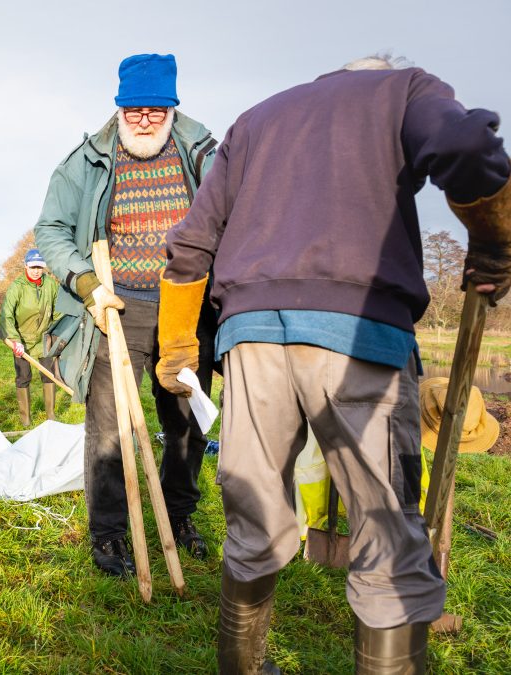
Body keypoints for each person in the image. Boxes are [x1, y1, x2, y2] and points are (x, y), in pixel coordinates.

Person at [157, 54, 510, 673]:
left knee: (254, 522)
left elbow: (191, 240)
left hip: (252, 337)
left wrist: (179, 342)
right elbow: (463, 144)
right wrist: (496, 241)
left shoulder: (256, 119)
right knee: (386, 536)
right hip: (359, 331)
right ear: (378, 71)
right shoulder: (404, 88)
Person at [34, 53, 220, 576]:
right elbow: (50, 228)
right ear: (119, 108)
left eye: (155, 111)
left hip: (187, 304)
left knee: (185, 420)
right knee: (109, 425)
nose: (143, 121)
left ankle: (179, 515)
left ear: (172, 108)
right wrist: (86, 283)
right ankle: (111, 532)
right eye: (134, 110)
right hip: (117, 305)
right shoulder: (88, 159)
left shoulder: (205, 153)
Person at [0, 248, 62, 426]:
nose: (36, 271)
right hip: (22, 340)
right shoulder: (17, 287)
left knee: (49, 375)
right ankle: (25, 419)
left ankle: (51, 416)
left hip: (44, 338)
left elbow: (58, 312)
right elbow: (6, 316)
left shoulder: (51, 285)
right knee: (23, 377)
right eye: (33, 267)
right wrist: (15, 340)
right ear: (26, 266)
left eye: (39, 267)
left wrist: (56, 335)